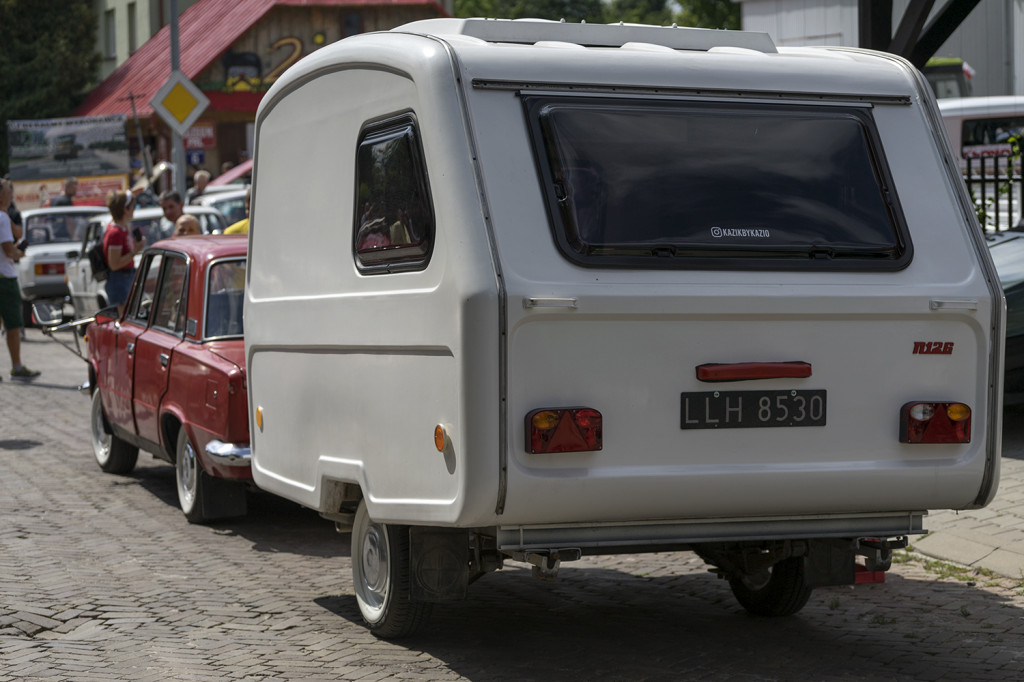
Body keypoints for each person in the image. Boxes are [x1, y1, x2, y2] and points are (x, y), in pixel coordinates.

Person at [0, 178, 39, 379]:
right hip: (4, 278)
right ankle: (17, 367)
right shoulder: (2, 218)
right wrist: (18, 253)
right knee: (13, 325)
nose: (11, 195)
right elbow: (8, 250)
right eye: (8, 192)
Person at [103, 189, 144, 313]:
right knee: (124, 318)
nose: (134, 209)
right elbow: (114, 265)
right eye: (133, 206)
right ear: (126, 209)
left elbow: (119, 201)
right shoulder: (116, 233)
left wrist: (130, 194)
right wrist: (135, 251)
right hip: (120, 280)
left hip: (125, 278)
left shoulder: (121, 227)